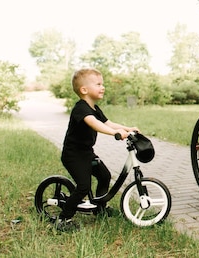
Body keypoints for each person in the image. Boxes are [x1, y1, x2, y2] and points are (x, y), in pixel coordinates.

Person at [55, 67, 140, 232]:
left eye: (103, 84)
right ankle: (63, 219)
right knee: (83, 187)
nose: (103, 87)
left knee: (104, 176)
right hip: (73, 155)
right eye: (98, 84)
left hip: (87, 153)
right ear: (84, 89)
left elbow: (108, 123)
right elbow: (95, 124)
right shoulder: (81, 108)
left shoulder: (94, 108)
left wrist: (127, 128)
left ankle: (99, 208)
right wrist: (114, 133)